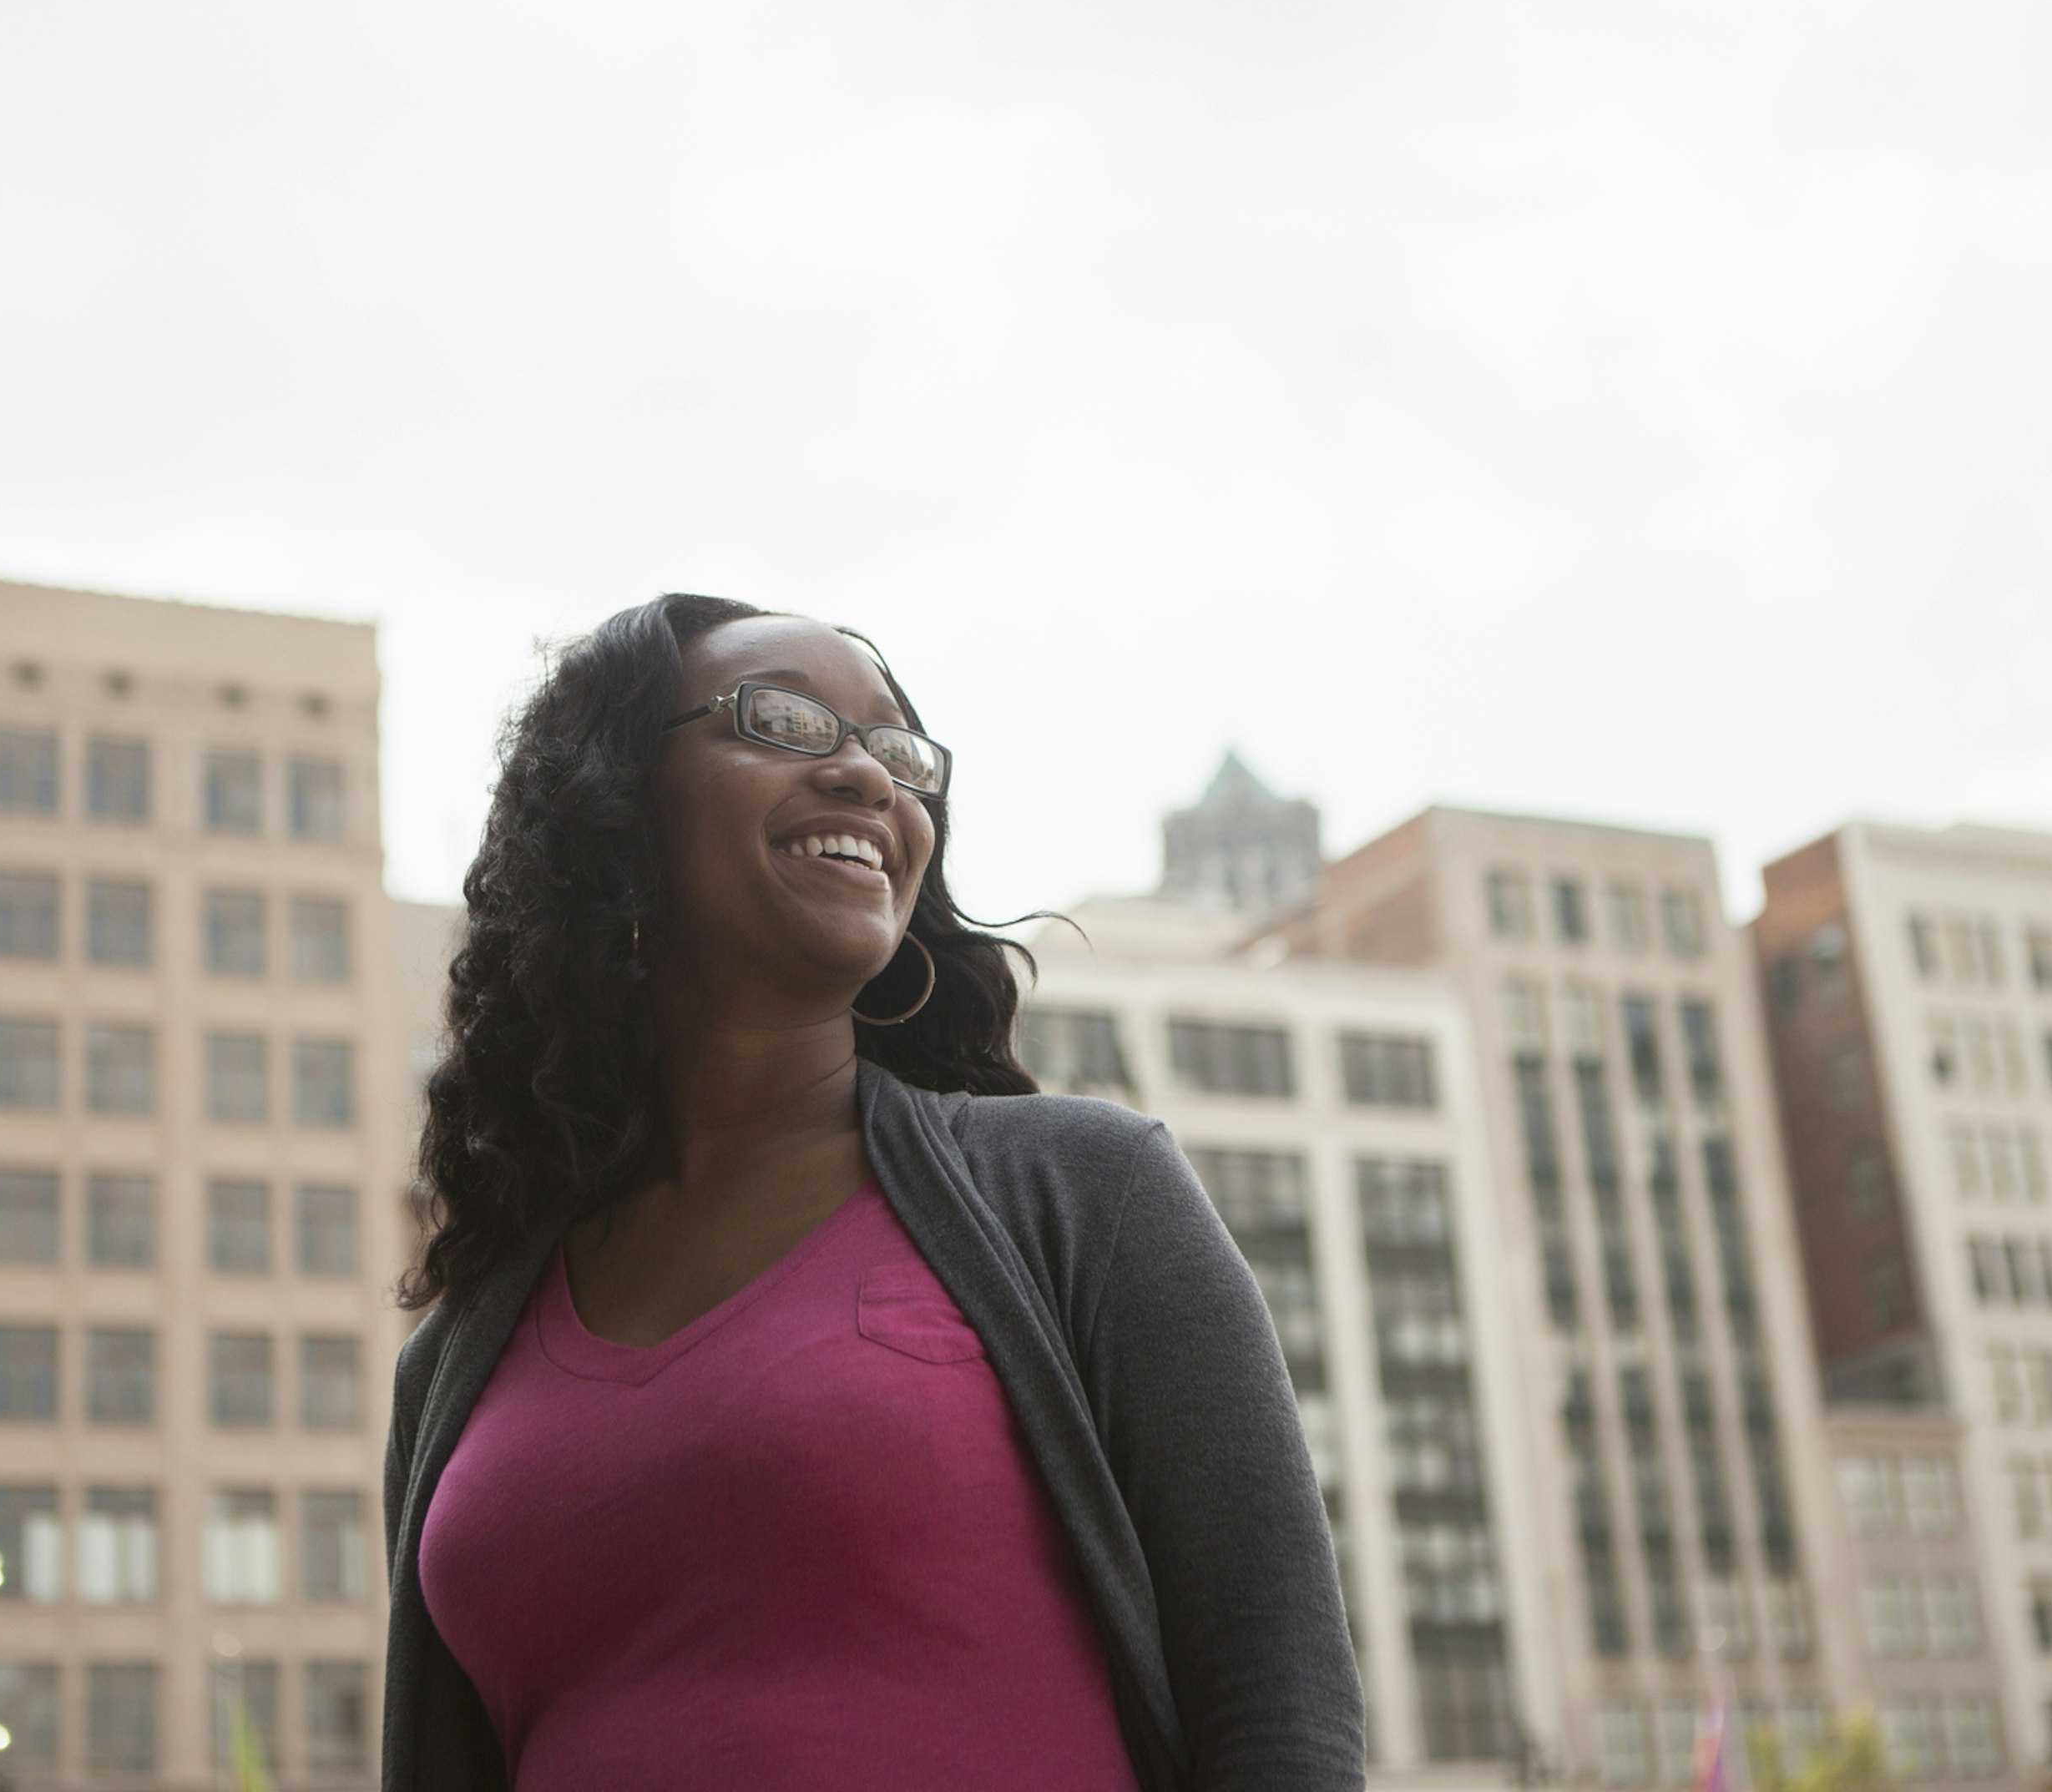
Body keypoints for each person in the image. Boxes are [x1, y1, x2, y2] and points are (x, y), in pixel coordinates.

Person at [383, 593, 1363, 1792]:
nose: (865, 777)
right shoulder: (455, 1364)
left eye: (897, 753)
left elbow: (1283, 1718)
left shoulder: (1085, 1197)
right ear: (614, 812)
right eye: (784, 720)